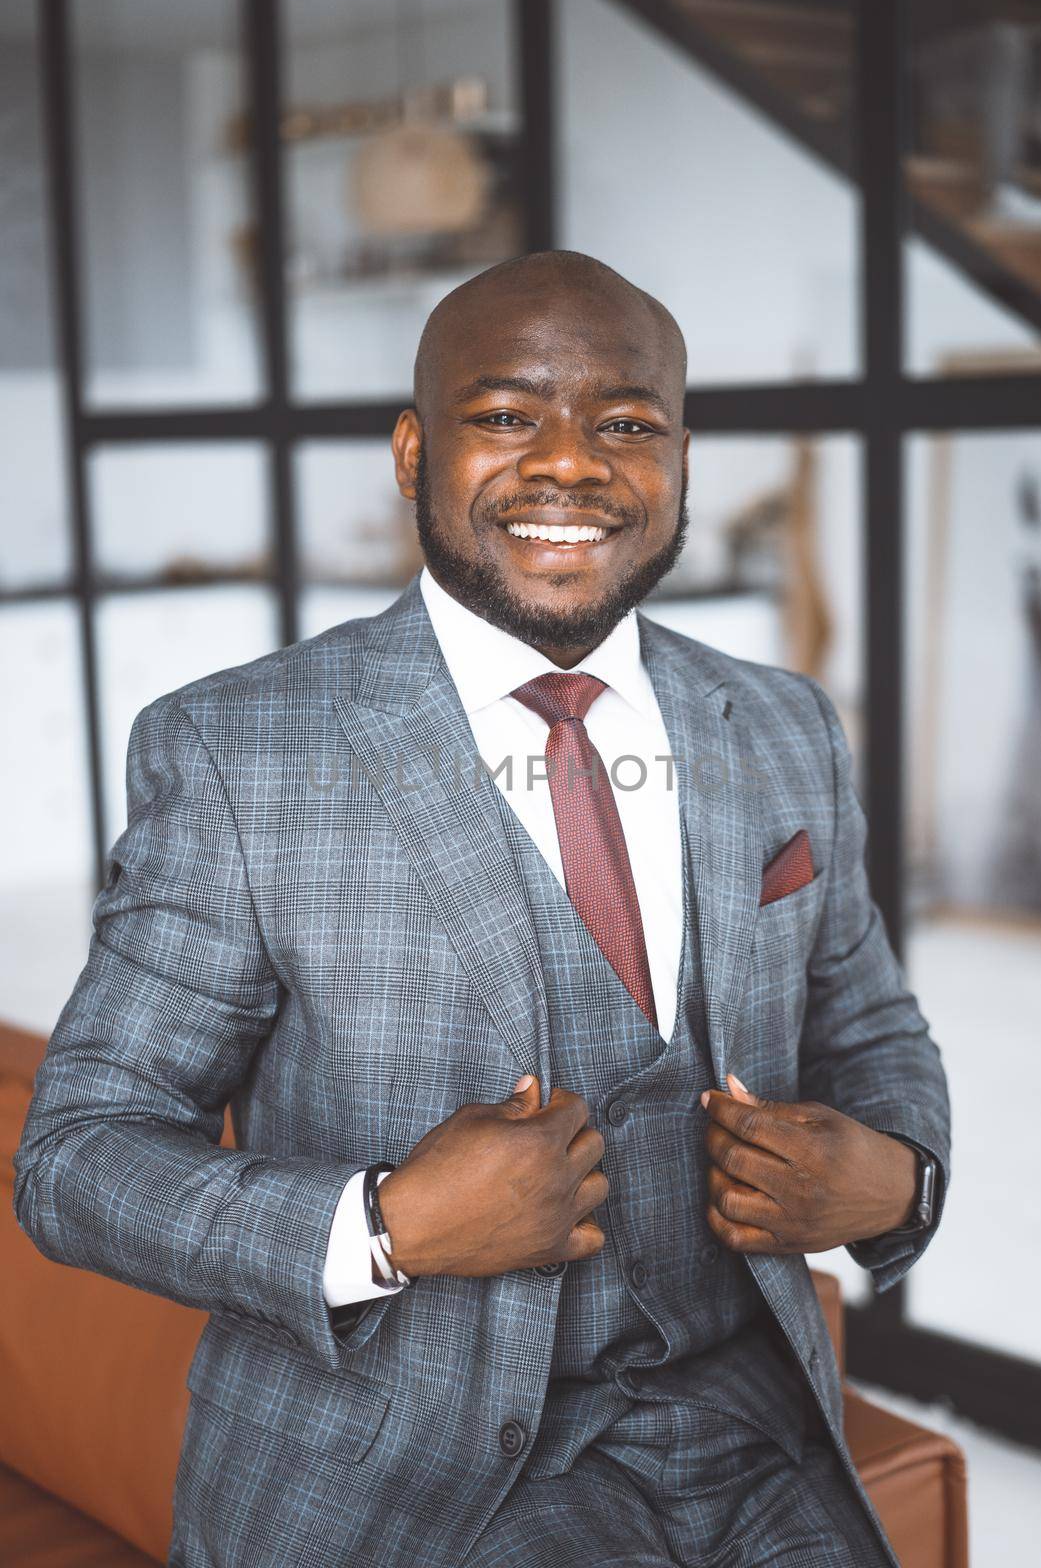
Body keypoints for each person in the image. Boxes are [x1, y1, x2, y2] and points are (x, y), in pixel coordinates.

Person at [13, 250, 950, 1568]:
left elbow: (875, 1027)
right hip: (417, 1486)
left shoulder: (785, 724)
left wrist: (896, 1180)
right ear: (411, 454)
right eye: (507, 416)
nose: (570, 463)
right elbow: (73, 1161)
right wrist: (382, 1228)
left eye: (625, 423)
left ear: (681, 459)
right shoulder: (238, 751)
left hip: (751, 1437)